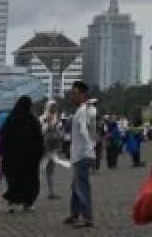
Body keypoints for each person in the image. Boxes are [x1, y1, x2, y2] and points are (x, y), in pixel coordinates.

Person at [1, 95, 46, 213]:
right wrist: (39, 153)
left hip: (12, 158)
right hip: (29, 159)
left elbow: (3, 137)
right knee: (30, 181)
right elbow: (39, 138)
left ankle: (11, 203)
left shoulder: (10, 119)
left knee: (14, 181)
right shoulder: (32, 120)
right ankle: (28, 203)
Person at [64, 80, 96, 228]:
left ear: (83, 95)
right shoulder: (81, 110)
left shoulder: (82, 111)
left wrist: (90, 150)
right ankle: (74, 213)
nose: (73, 96)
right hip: (78, 154)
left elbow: (84, 131)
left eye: (76, 94)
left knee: (82, 187)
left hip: (83, 154)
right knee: (76, 185)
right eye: (72, 94)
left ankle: (87, 217)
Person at [41, 101, 63, 199]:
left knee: (51, 170)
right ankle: (35, 190)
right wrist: (48, 123)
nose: (54, 109)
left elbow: (59, 132)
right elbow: (42, 131)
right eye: (52, 107)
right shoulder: (43, 118)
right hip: (45, 147)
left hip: (53, 147)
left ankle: (52, 192)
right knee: (41, 168)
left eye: (55, 107)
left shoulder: (56, 118)